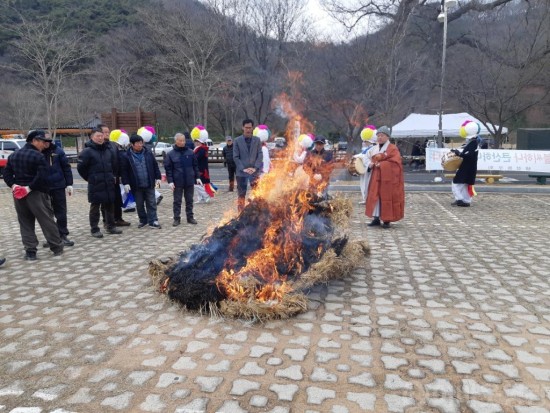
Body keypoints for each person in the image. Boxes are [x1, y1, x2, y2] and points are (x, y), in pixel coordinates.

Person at [3, 130, 64, 259]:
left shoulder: (14, 155)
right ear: (34, 141)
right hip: (37, 193)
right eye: (42, 141)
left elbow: (7, 174)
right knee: (46, 220)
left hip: (18, 194)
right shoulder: (38, 156)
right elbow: (42, 175)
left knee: (25, 222)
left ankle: (30, 252)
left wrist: (14, 186)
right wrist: (29, 188)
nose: (44, 144)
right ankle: (57, 246)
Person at [77, 127, 123, 238]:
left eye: (101, 135)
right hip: (95, 183)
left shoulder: (108, 150)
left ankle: (110, 226)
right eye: (98, 136)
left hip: (108, 182)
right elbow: (81, 168)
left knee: (109, 205)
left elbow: (113, 165)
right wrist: (90, 178)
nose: (100, 138)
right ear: (92, 137)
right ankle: (94, 229)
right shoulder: (87, 152)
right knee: (95, 207)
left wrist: (112, 176)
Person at [365, 126, 405, 229]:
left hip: (387, 180)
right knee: (375, 197)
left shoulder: (392, 148)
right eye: (378, 135)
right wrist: (370, 164)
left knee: (386, 197)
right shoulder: (374, 148)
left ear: (387, 136)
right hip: (375, 177)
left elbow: (396, 163)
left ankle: (387, 220)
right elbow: (368, 158)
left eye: (382, 135)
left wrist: (382, 165)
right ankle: (376, 218)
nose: (379, 137)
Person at [120, 134, 162, 228]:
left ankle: (153, 220)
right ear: (132, 144)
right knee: (139, 204)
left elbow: (155, 166)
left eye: (141, 143)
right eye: (138, 143)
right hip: (136, 185)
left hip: (149, 183)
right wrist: (126, 183)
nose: (140, 145)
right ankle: (143, 220)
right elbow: (124, 171)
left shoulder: (148, 153)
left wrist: (158, 178)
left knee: (151, 203)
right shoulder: (126, 156)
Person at [42, 133, 75, 247]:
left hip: (58, 186)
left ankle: (62, 235)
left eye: (48, 141)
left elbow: (66, 168)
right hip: (43, 187)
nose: (46, 143)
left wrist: (69, 183)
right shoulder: (37, 152)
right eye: (44, 140)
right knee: (46, 214)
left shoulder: (58, 151)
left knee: (61, 212)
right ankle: (51, 237)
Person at [164, 132, 201, 226]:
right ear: (176, 141)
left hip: (189, 181)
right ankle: (176, 218)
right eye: (180, 140)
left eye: (183, 140)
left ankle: (190, 217)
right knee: (177, 201)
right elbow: (168, 169)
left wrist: (197, 177)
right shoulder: (171, 154)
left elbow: (195, 166)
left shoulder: (190, 152)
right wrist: (170, 181)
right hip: (177, 182)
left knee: (189, 200)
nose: (182, 142)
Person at [99, 124, 131, 227]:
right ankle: (106, 220)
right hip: (103, 179)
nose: (107, 134)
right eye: (104, 132)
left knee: (117, 199)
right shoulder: (97, 146)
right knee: (106, 201)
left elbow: (118, 161)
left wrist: (121, 176)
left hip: (115, 178)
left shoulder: (113, 145)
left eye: (108, 132)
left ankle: (118, 218)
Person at [233, 119, 263, 212]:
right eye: (246, 128)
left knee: (257, 194)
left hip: (254, 172)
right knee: (241, 195)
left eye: (250, 128)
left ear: (253, 128)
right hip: (241, 173)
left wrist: (255, 168)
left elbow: (260, 154)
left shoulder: (257, 140)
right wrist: (243, 169)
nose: (248, 130)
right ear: (243, 128)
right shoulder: (237, 141)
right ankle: (240, 213)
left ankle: (257, 212)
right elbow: (236, 157)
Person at [452, 122, 480, 207]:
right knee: (464, 185)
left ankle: (459, 199)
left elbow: (469, 155)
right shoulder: (474, 143)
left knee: (456, 183)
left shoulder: (473, 143)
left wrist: (459, 154)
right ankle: (466, 201)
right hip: (469, 168)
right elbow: (468, 154)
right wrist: (458, 153)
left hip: (466, 168)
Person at [193, 131, 213, 204]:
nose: (195, 143)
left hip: (201, 170)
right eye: (195, 141)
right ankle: (201, 198)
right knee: (198, 184)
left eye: (197, 141)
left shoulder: (201, 149)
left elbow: (196, 158)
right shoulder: (198, 149)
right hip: (198, 169)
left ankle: (206, 195)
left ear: (200, 142)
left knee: (197, 184)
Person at [357, 135, 378, 204]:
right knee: (365, 184)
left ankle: (367, 199)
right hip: (366, 169)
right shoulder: (368, 148)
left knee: (367, 185)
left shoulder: (373, 148)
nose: (364, 142)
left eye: (365, 141)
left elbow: (364, 157)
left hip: (369, 169)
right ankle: (366, 198)